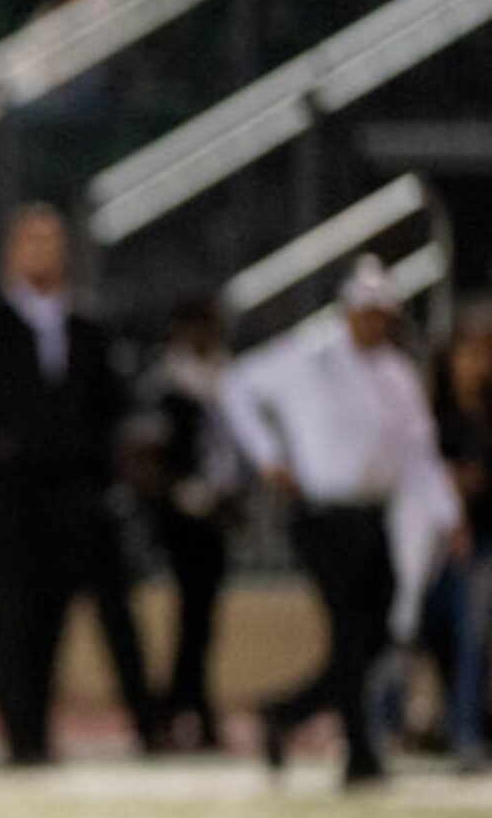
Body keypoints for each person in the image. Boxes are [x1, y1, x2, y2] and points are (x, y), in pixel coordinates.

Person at [222, 260, 460, 786]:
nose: (373, 324)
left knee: (376, 635)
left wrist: (448, 514)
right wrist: (268, 456)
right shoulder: (310, 355)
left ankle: (286, 712)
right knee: (352, 629)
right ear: (349, 310)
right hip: (323, 517)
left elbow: (420, 454)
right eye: (366, 313)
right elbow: (236, 385)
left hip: (375, 518)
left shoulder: (397, 373)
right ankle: (361, 754)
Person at [0, 205, 159, 765]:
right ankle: (23, 734)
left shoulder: (87, 327)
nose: (41, 251)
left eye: (51, 241)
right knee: (14, 617)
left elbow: (113, 406)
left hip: (77, 495)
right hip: (8, 499)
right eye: (30, 240)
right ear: (11, 249)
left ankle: (143, 724)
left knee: (69, 613)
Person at [128, 298, 245, 752]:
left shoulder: (227, 380)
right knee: (192, 617)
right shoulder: (164, 384)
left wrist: (232, 495)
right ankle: (183, 705)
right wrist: (179, 490)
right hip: (176, 518)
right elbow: (142, 455)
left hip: (215, 515)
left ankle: (186, 703)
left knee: (202, 618)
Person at [421, 305, 492, 771]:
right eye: (469, 349)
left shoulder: (487, 415)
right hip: (434, 541)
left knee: (472, 631)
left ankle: (467, 733)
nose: (479, 359)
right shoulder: (432, 414)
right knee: (426, 634)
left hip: (482, 538)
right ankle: (444, 726)